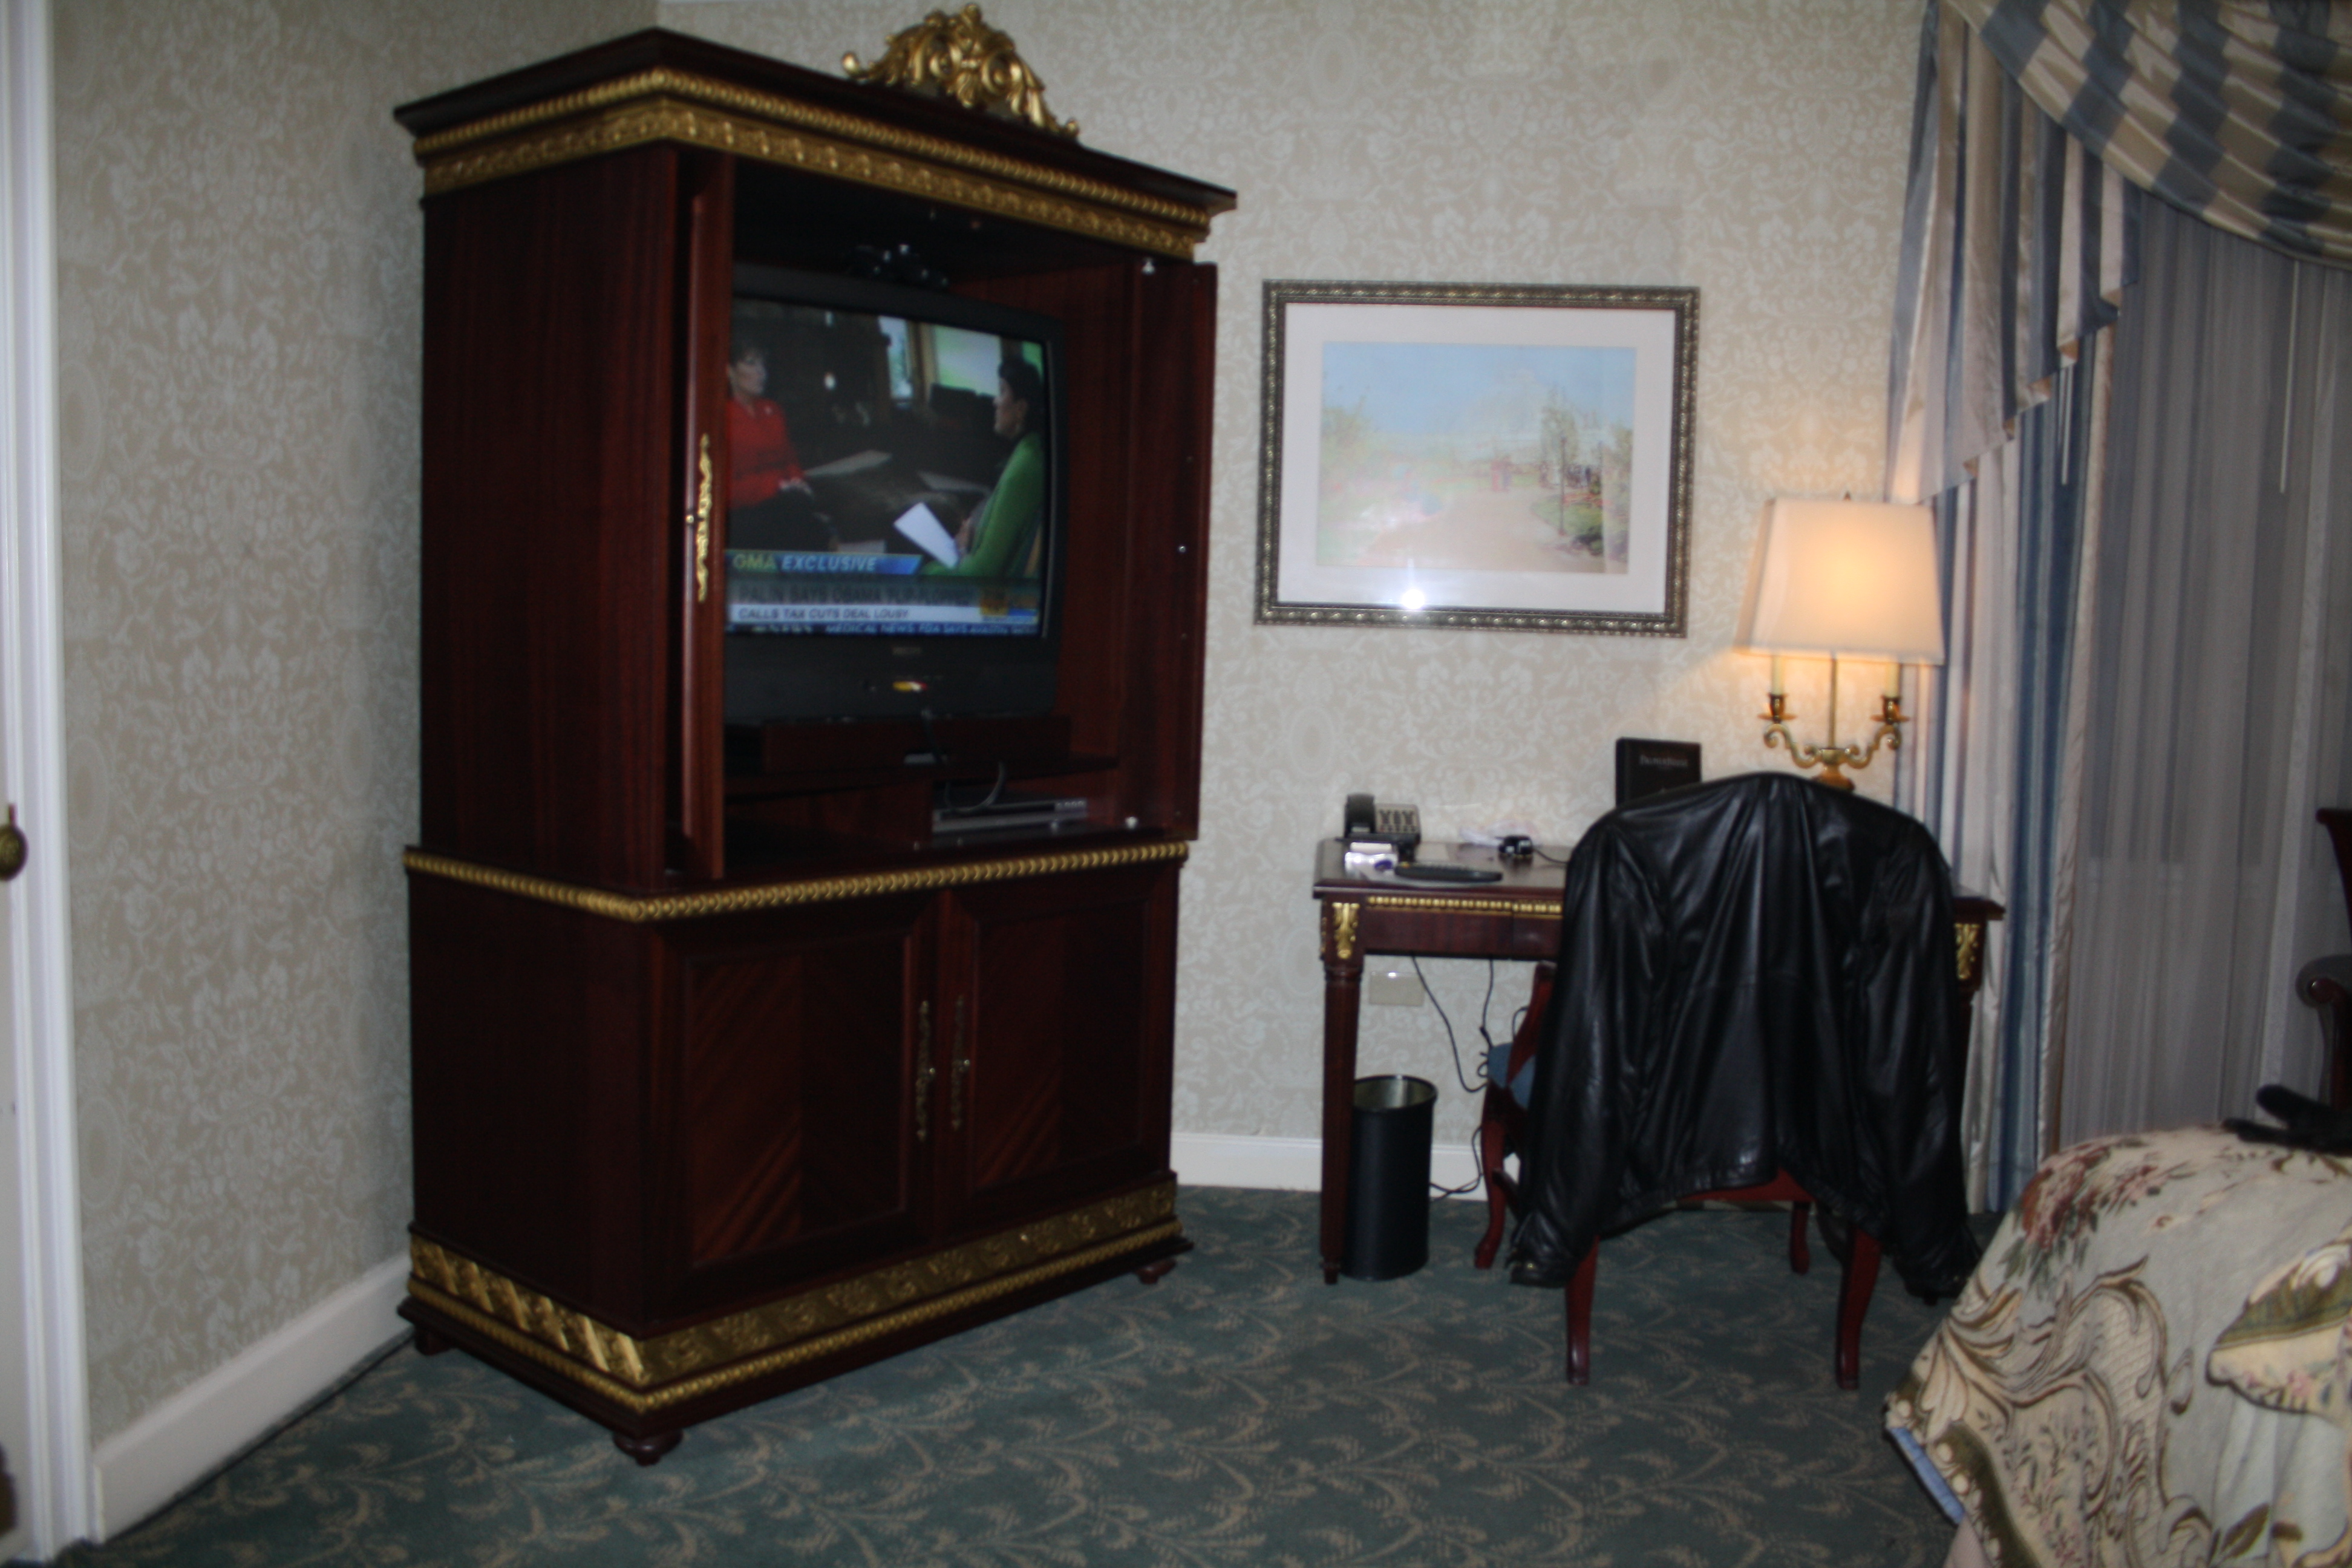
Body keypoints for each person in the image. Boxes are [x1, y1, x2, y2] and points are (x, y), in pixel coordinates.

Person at [923, 359, 1047, 578]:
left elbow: (981, 573)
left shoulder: (1027, 466)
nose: (995, 402)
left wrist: (925, 574)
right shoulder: (1029, 449)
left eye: (1002, 392)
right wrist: (973, 534)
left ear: (1021, 408)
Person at [725, 339, 830, 551]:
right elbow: (724, 486)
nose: (762, 372)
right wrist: (777, 485)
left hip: (786, 501)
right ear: (729, 371)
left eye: (763, 364)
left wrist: (798, 482)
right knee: (801, 524)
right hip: (745, 510)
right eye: (751, 363)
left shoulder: (772, 410)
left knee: (808, 516)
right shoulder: (719, 415)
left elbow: (790, 460)